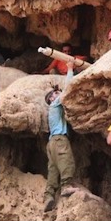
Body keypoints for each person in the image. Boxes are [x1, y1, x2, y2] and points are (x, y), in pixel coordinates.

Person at [43, 60, 79, 212]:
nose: (58, 94)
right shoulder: (55, 104)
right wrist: (70, 69)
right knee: (66, 160)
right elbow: (68, 91)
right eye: (55, 93)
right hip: (59, 139)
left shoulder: (52, 110)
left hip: (51, 143)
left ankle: (49, 195)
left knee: (53, 169)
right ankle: (66, 186)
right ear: (52, 98)